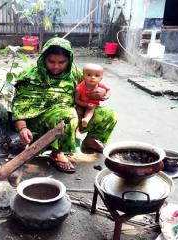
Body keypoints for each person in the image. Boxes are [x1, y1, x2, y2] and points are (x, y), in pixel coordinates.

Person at [11, 37, 117, 173]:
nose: (56, 66)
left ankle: (91, 140)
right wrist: (22, 128)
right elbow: (19, 104)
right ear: (43, 58)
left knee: (108, 114)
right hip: (42, 120)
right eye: (51, 61)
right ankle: (56, 153)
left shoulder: (72, 72)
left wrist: (103, 91)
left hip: (73, 115)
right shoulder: (30, 77)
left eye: (62, 62)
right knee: (68, 115)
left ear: (69, 60)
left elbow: (89, 84)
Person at [75, 63, 111, 129]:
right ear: (83, 77)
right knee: (78, 112)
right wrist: (86, 105)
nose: (93, 77)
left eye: (97, 75)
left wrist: (106, 96)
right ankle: (77, 128)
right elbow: (76, 100)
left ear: (101, 78)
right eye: (89, 75)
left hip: (92, 105)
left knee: (91, 110)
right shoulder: (79, 88)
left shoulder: (100, 85)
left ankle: (86, 120)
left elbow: (109, 89)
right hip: (81, 104)